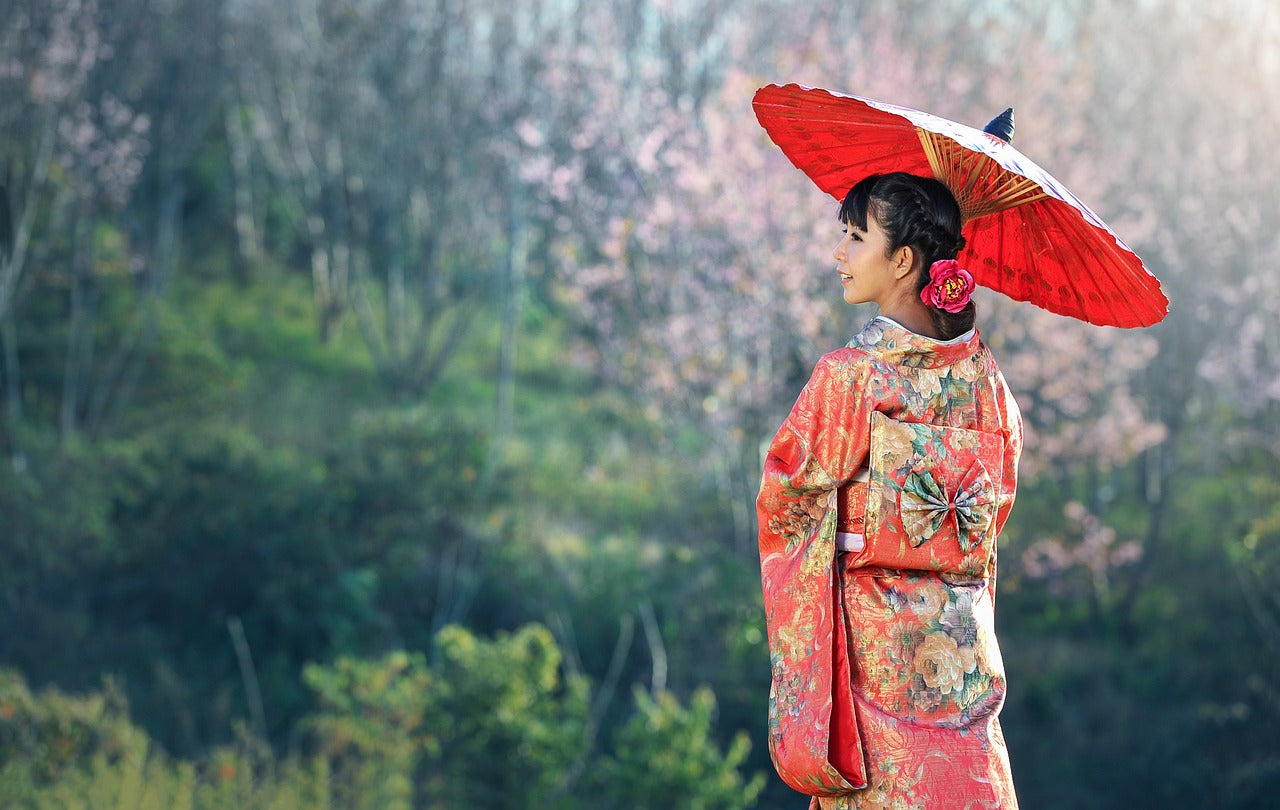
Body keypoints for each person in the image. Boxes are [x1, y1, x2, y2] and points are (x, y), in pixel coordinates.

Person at [757, 172, 1023, 809]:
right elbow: (996, 497)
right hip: (958, 650)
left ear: (903, 260)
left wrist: (852, 530)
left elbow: (786, 495)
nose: (839, 254)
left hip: (876, 650)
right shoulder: (983, 379)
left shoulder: (852, 376)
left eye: (855, 237)